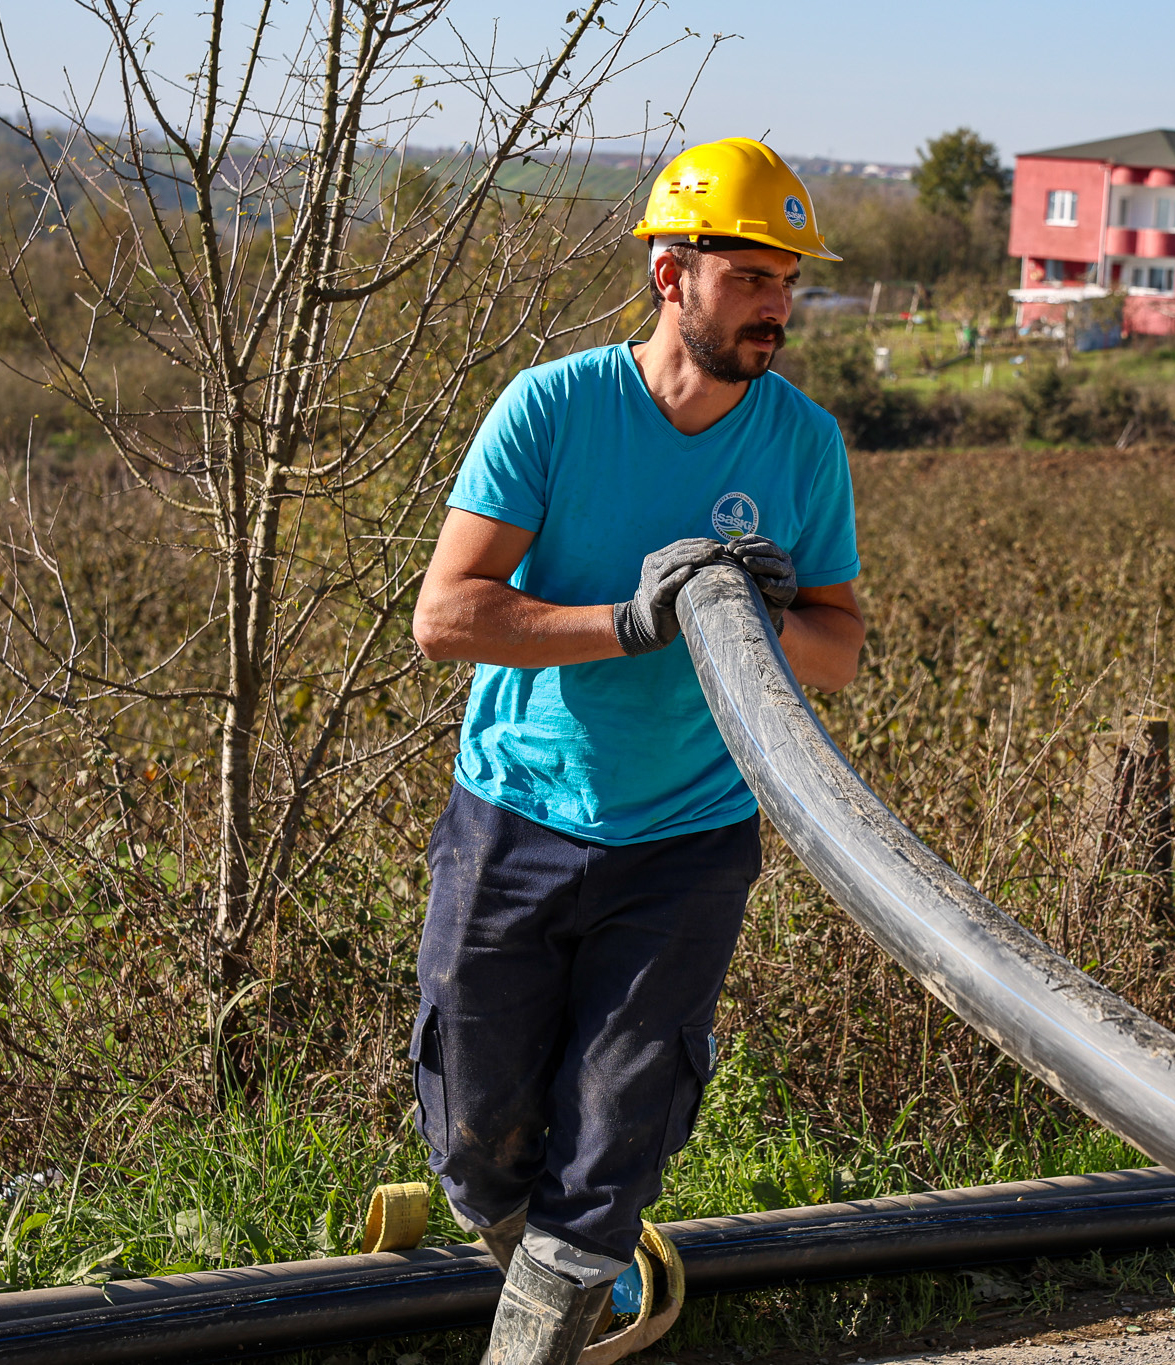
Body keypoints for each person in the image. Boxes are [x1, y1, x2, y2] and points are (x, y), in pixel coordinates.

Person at [409, 137, 866, 1365]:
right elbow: (446, 615)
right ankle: (555, 1263)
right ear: (671, 272)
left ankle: (558, 1311)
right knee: (473, 1131)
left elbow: (838, 651)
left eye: (788, 280)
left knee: (612, 1143)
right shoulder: (554, 408)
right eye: (750, 274)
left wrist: (760, 617)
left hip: (688, 842)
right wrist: (629, 621)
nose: (778, 304)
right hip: (518, 814)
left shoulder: (800, 446)